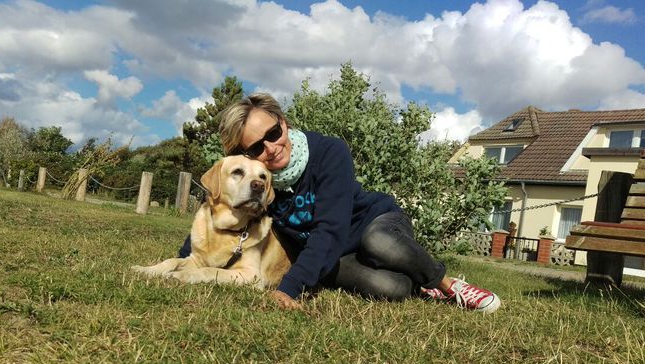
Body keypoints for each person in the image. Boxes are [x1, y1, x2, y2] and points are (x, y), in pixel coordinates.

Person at [183, 93, 500, 313]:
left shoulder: (328, 152)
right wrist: (187, 256)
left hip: (374, 222)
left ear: (284, 122)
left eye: (274, 132)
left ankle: (447, 284)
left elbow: (330, 230)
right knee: (390, 289)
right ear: (246, 155)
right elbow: (219, 209)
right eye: (256, 148)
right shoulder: (259, 186)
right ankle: (420, 284)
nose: (272, 147)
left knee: (378, 243)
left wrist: (289, 288)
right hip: (336, 254)